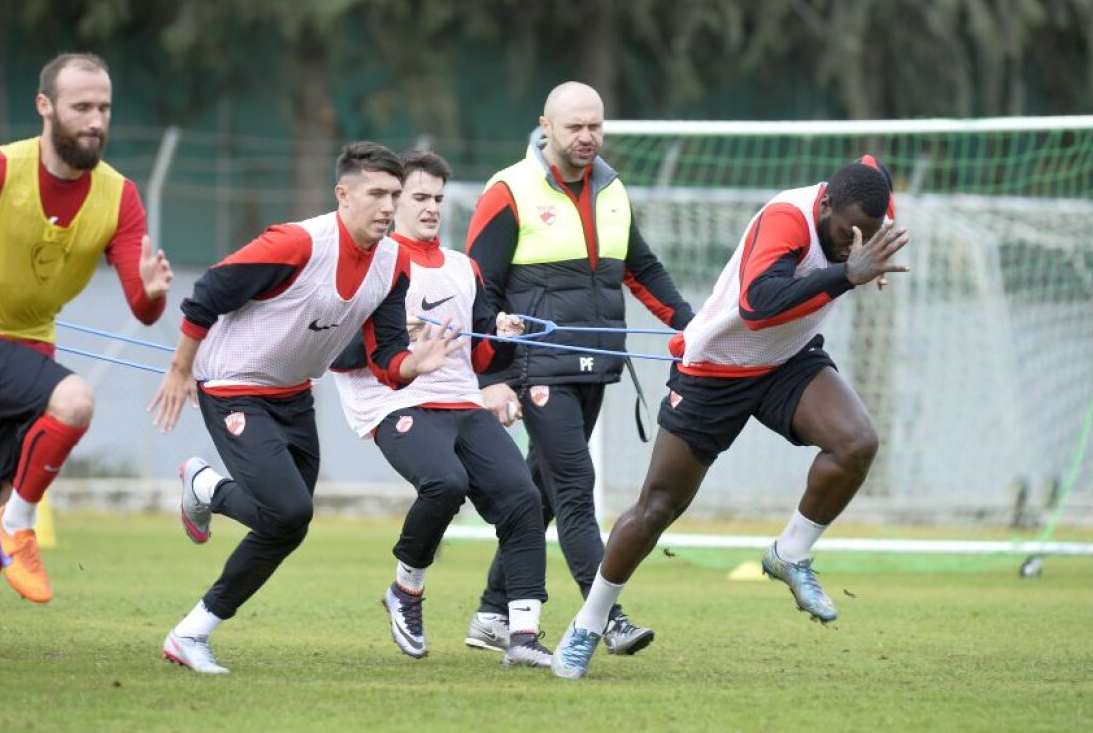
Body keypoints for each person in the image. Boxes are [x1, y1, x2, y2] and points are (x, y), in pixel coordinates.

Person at [550, 158, 909, 679]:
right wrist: (847, 275)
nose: (854, 242)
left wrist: (865, 256)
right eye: (845, 232)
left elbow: (873, 170)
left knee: (857, 443)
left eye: (868, 235)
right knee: (656, 509)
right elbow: (759, 304)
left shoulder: (865, 208)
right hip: (716, 368)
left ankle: (790, 553)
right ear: (825, 202)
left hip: (786, 360)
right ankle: (588, 622)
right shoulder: (787, 218)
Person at [148, 141, 460, 674]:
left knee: (287, 524)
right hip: (232, 386)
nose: (388, 207)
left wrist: (413, 366)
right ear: (342, 195)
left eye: (394, 195)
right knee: (290, 511)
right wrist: (180, 370)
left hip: (293, 395)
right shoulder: (295, 243)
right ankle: (192, 623)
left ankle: (192, 617)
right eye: (376, 194)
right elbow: (207, 293)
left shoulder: (392, 265)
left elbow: (384, 357)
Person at [463, 82, 693, 657]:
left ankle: (492, 615)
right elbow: (479, 290)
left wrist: (692, 327)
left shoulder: (614, 190)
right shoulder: (508, 190)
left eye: (595, 125)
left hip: (596, 365)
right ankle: (604, 615)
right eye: (574, 127)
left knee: (540, 491)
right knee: (574, 486)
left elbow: (641, 269)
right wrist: (491, 374)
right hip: (537, 368)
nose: (586, 137)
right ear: (546, 125)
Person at [0, 52, 172, 656]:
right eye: (81, 106)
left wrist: (153, 294)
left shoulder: (120, 197)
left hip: (28, 346)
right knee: (74, 400)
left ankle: (8, 522)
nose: (95, 120)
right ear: (45, 107)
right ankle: (22, 523)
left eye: (103, 108)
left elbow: (142, 304)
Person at [332, 151, 552, 668]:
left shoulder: (463, 266)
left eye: (437, 198)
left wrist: (502, 339)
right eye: (419, 198)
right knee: (445, 482)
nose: (431, 208)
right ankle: (406, 591)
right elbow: (334, 351)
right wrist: (390, 339)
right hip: (396, 400)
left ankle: (522, 635)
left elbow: (479, 358)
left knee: (524, 497)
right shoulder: (374, 263)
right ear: (393, 200)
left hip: (461, 401)